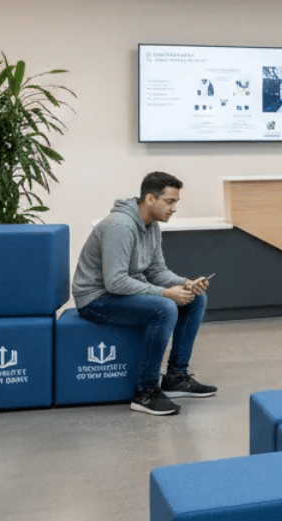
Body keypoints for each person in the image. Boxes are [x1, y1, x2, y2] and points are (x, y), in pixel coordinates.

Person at [73, 171, 215, 417]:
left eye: (175, 203)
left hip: (120, 293)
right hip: (96, 298)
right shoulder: (121, 225)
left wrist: (185, 283)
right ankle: (145, 392)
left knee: (196, 299)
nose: (174, 209)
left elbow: (156, 270)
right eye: (170, 202)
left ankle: (176, 377)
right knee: (165, 307)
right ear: (150, 199)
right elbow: (115, 282)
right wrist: (165, 293)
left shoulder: (152, 227)